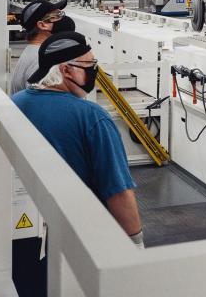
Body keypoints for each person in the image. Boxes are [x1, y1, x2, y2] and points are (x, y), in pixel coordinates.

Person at [12, 32, 143, 244]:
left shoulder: (15, 103)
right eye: (89, 65)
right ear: (66, 70)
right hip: (81, 238)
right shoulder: (93, 117)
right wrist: (136, 243)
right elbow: (118, 191)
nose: (94, 71)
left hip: (24, 231)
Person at [10, 0, 74, 95]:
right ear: (42, 25)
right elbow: (45, 105)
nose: (63, 19)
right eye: (57, 15)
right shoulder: (43, 62)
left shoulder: (33, 51)